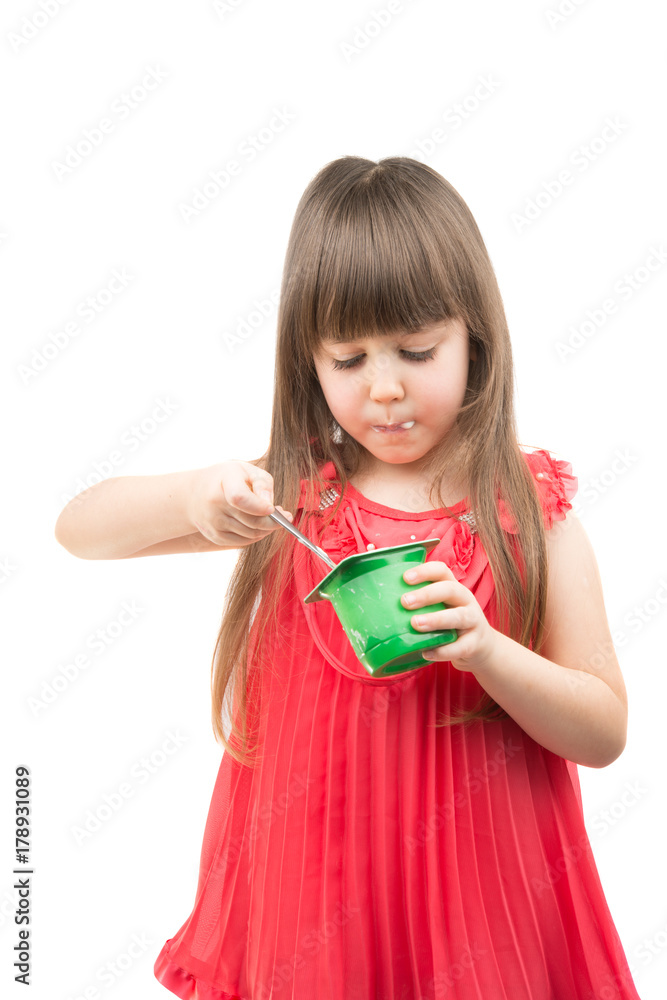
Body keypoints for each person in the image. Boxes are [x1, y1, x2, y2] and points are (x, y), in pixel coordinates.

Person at [55, 156, 642, 999]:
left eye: (415, 349)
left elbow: (603, 731)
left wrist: (485, 651)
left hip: (483, 903)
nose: (386, 388)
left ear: (475, 335)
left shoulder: (528, 515)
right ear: (307, 361)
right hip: (316, 901)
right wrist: (195, 493)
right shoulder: (296, 497)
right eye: (347, 359)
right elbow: (79, 531)